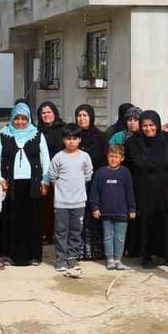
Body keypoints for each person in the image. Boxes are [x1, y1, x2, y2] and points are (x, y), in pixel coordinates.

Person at [0, 101, 51, 266]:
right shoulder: (3, 134)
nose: (20, 122)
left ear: (29, 119)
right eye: (16, 118)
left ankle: (32, 256)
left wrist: (45, 181)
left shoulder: (37, 134)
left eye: (23, 118)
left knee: (31, 219)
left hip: (32, 184)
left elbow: (45, 160)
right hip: (9, 184)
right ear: (12, 118)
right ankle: (8, 255)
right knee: (10, 219)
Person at [124, 110, 168, 269]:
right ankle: (147, 256)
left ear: (157, 125)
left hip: (166, 191)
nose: (148, 128)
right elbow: (127, 166)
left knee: (167, 222)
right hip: (143, 191)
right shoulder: (132, 143)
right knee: (146, 223)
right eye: (144, 125)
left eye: (151, 125)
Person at [48, 123, 94, 277]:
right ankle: (61, 259)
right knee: (61, 231)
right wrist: (61, 191)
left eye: (74, 138)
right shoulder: (58, 157)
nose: (71, 142)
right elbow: (52, 175)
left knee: (76, 231)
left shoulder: (84, 157)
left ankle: (72, 258)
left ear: (79, 140)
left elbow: (88, 175)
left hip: (79, 202)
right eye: (68, 139)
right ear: (63, 140)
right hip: (61, 203)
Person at [90, 143, 137, 270]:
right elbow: (95, 191)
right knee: (108, 237)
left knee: (120, 238)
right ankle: (110, 259)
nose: (113, 159)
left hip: (122, 212)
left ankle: (118, 260)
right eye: (111, 156)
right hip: (105, 212)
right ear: (107, 157)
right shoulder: (101, 173)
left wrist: (132, 208)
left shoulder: (125, 173)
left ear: (122, 158)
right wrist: (95, 207)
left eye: (116, 157)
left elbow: (130, 191)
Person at [74, 104, 107, 261]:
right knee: (79, 217)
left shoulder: (100, 137)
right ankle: (79, 251)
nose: (82, 118)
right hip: (76, 184)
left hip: (95, 182)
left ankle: (95, 251)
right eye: (79, 115)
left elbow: (104, 161)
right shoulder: (73, 136)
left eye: (85, 115)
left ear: (91, 117)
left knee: (94, 215)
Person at [36, 101, 64, 244]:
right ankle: (47, 234)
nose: (46, 115)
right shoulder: (36, 131)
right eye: (43, 113)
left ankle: (59, 234)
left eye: (48, 112)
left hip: (60, 173)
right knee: (45, 206)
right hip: (43, 173)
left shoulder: (63, 129)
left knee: (60, 205)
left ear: (54, 113)